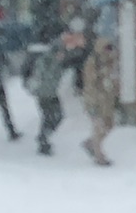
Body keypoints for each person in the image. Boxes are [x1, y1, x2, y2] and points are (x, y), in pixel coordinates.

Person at [25, 33, 76, 156]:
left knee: (52, 117)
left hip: (50, 93)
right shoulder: (47, 60)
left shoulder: (57, 61)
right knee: (51, 117)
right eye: (61, 52)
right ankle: (43, 140)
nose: (62, 55)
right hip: (45, 94)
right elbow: (42, 76)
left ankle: (43, 138)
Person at [80, 21, 118, 167]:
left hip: (106, 101)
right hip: (95, 100)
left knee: (109, 125)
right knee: (100, 127)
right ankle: (99, 155)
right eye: (107, 49)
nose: (110, 52)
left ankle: (91, 144)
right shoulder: (93, 62)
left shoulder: (110, 62)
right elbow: (90, 82)